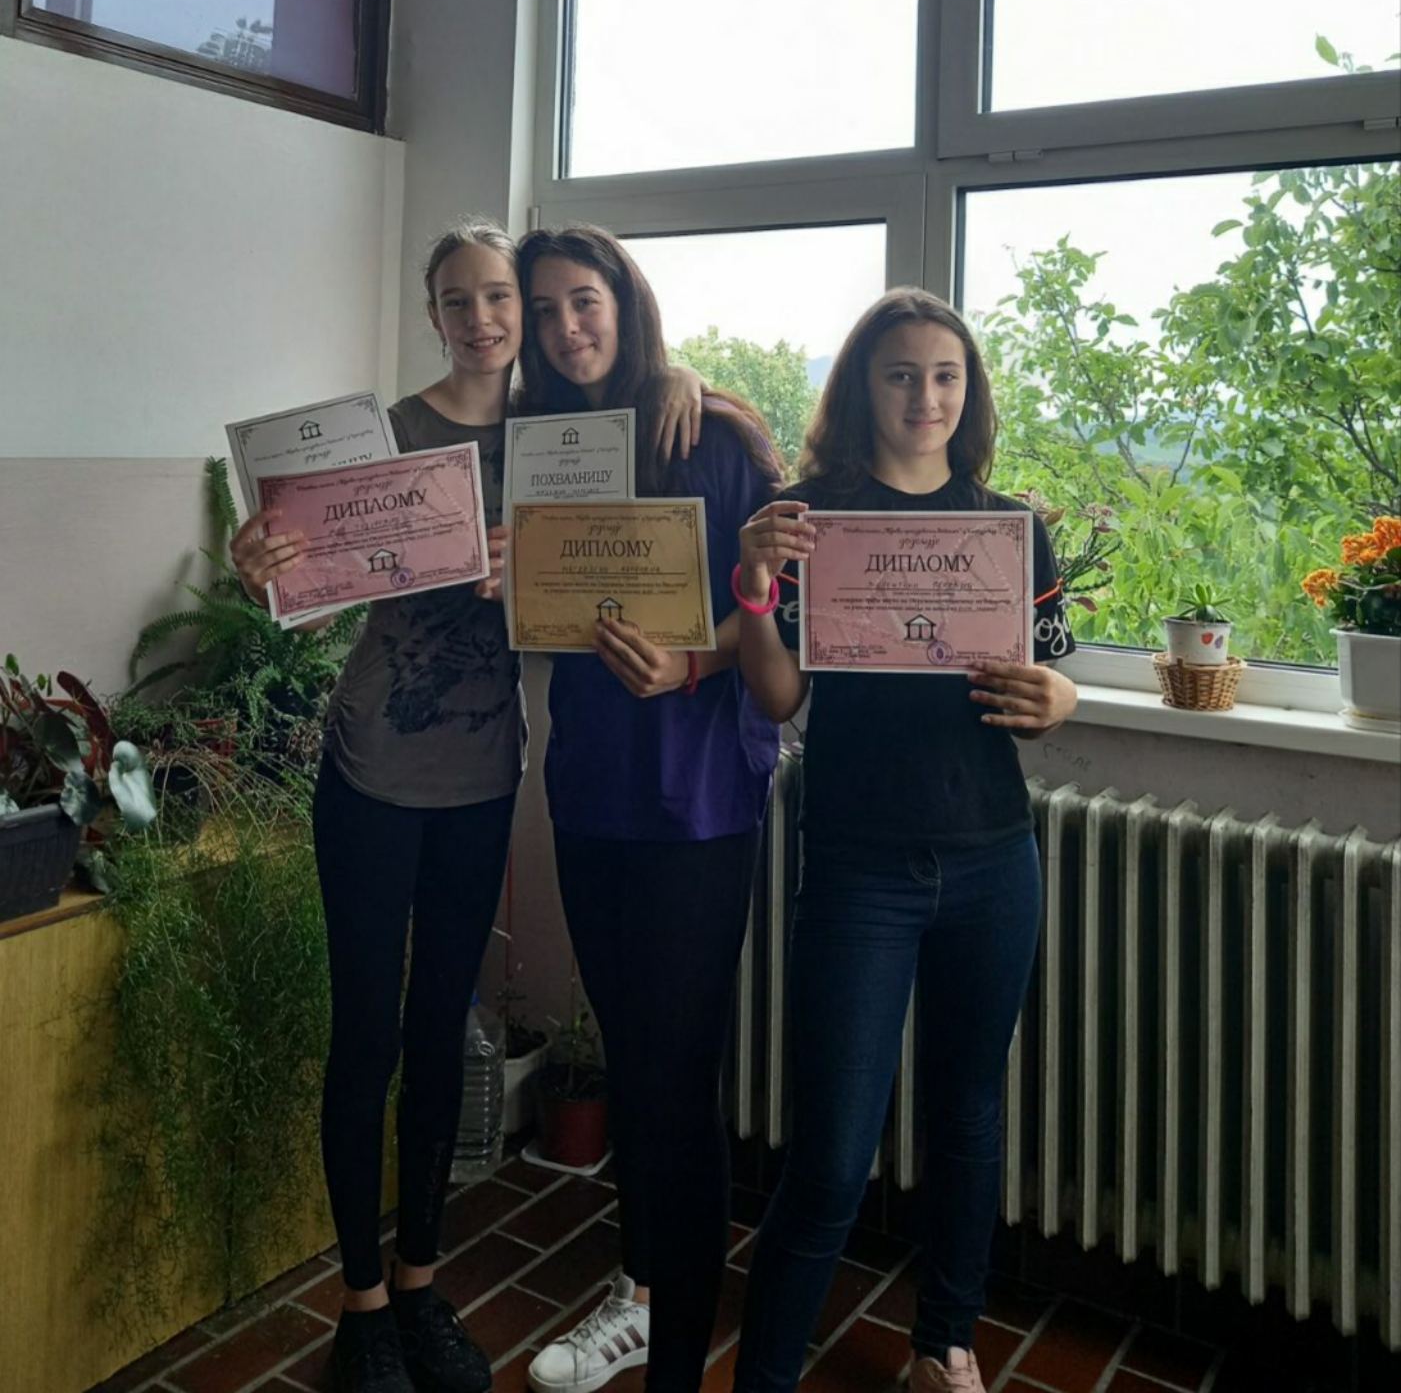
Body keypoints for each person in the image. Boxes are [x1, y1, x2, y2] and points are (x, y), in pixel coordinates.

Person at [230, 219, 702, 1393]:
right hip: (370, 770)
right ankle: (361, 1304)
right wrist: (264, 560)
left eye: (503, 297)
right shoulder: (383, 436)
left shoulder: (564, 436)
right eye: (460, 299)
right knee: (367, 1036)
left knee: (443, 1031)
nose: (486, 319)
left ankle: (422, 1283)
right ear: (433, 313)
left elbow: (626, 526)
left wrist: (686, 379)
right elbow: (307, 578)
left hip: (486, 777)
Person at [729, 287, 1079, 1393]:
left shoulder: (1013, 528)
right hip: (858, 866)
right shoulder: (805, 521)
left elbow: (1051, 674)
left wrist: (1060, 700)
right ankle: (766, 1373)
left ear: (968, 391)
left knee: (969, 1119)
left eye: (945, 375)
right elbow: (780, 698)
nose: (925, 396)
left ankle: (946, 1345)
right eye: (900, 374)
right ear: (861, 388)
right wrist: (751, 588)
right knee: (833, 1156)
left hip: (992, 856)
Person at [511, 225, 783, 1393]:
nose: (566, 327)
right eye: (544, 311)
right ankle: (640, 1291)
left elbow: (783, 595)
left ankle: (678, 1356)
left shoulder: (709, 433)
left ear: (627, 304)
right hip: (592, 793)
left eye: (586, 301)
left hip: (699, 802)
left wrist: (692, 663)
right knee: (634, 1062)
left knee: (679, 1081)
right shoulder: (541, 448)